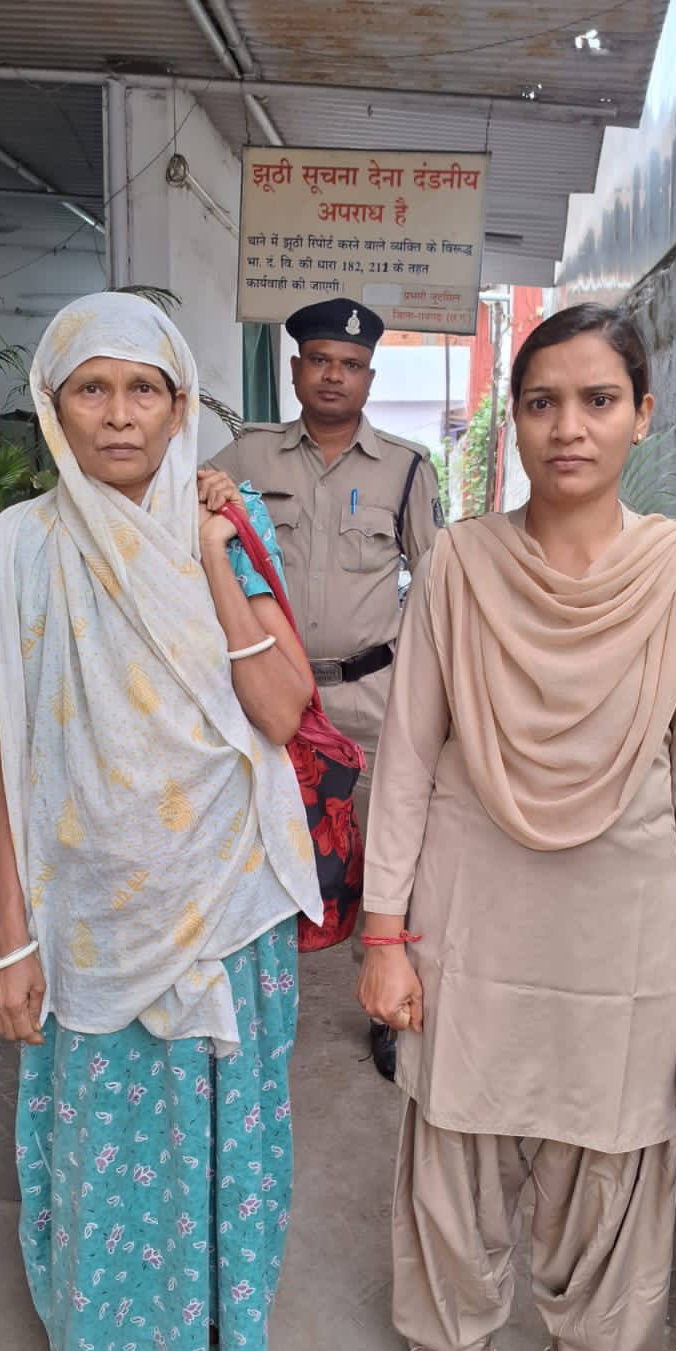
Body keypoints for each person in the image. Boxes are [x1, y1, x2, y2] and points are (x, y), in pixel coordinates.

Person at [357, 304, 676, 1351]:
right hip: (470, 899)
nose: (568, 426)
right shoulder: (459, 564)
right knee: (454, 1122)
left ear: (642, 415)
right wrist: (384, 933)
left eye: (597, 400)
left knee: (616, 1136)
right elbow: (408, 755)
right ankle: (450, 1344)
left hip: (624, 914)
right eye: (541, 402)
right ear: (514, 422)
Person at [0, 293, 321, 1351]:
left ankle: (218, 1338)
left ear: (180, 405)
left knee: (225, 1138)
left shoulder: (229, 522)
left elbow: (282, 711)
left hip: (230, 892)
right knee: (106, 1149)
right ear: (54, 406)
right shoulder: (17, 548)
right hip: (88, 913)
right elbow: (13, 751)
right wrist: (11, 936)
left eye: (144, 390)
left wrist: (212, 555)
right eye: (92, 389)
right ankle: (109, 1344)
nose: (119, 415)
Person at [208, 296, 445, 1079]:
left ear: (370, 378)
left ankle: (383, 1002)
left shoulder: (406, 468)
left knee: (381, 856)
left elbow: (437, 584)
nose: (333, 376)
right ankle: (243, 1009)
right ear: (295, 369)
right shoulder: (246, 458)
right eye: (319, 361)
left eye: (350, 365)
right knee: (251, 848)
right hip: (261, 697)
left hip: (369, 698)